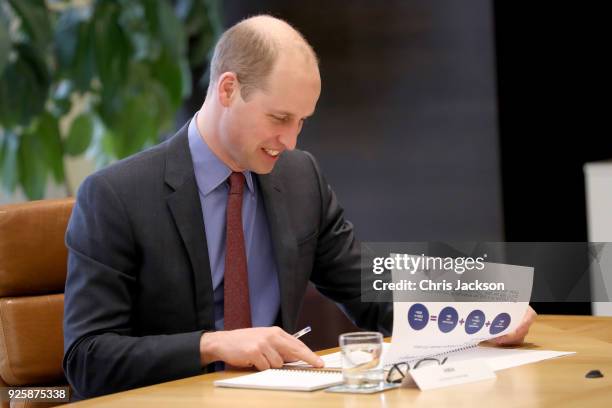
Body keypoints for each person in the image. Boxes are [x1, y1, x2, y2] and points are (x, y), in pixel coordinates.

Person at [63, 15, 536, 400]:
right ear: (228, 90)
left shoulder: (298, 176)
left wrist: (472, 308)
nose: (290, 141)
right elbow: (86, 358)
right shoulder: (116, 196)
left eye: (302, 121)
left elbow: (367, 286)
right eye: (279, 118)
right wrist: (212, 345)